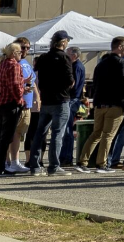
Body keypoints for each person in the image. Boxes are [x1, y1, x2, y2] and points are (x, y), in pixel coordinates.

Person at [27, 30, 75, 176]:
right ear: (64, 42)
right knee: (57, 134)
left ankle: (34, 166)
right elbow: (69, 80)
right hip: (60, 100)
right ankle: (53, 166)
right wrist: (69, 84)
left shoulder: (43, 57)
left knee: (39, 133)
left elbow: (36, 71)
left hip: (46, 100)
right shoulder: (64, 58)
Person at [79, 36, 124, 173]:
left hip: (99, 104)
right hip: (115, 105)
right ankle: (101, 164)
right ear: (120, 47)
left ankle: (83, 162)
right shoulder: (121, 64)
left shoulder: (101, 64)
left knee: (96, 134)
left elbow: (96, 84)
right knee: (108, 135)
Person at [0, 43, 25, 176]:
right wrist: (20, 99)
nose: (21, 54)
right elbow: (14, 85)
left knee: (2, 137)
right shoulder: (14, 65)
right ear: (14, 53)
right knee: (6, 138)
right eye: (20, 52)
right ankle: (0, 167)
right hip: (10, 103)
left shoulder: (2, 64)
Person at [12, 37, 37, 172]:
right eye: (23, 47)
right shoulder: (13, 64)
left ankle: (15, 161)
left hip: (27, 104)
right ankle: (11, 162)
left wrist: (37, 99)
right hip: (17, 103)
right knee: (13, 134)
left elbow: (33, 82)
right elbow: (12, 84)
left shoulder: (26, 63)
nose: (25, 50)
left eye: (28, 47)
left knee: (20, 134)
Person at [60, 46, 86, 167]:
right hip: (72, 99)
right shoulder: (75, 66)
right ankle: (65, 156)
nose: (65, 55)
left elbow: (74, 86)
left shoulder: (77, 67)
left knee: (67, 130)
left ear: (74, 55)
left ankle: (67, 157)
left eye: (67, 53)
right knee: (66, 129)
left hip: (72, 100)